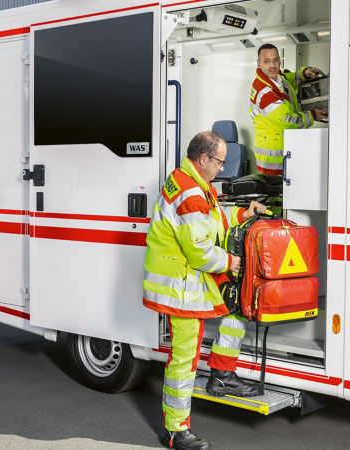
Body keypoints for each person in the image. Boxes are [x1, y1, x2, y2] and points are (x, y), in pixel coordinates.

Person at [143, 131, 267, 450]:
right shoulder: (190, 191)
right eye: (220, 162)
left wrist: (245, 214)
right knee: (184, 359)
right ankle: (176, 430)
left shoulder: (194, 183)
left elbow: (215, 220)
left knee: (235, 311)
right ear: (204, 159)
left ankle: (220, 375)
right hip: (181, 285)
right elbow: (199, 250)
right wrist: (232, 261)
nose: (222, 169)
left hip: (190, 281)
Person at [250, 43, 327, 175]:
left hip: (286, 151)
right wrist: (313, 115)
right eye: (266, 61)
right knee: (277, 194)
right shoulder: (265, 93)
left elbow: (290, 77)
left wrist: (305, 73)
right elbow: (288, 120)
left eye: (275, 60)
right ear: (259, 63)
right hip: (273, 158)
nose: (272, 65)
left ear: (280, 60)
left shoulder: (278, 78)